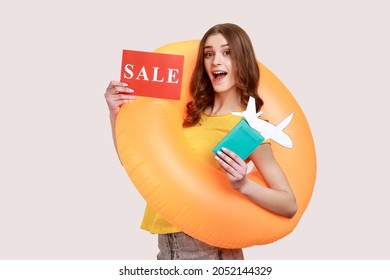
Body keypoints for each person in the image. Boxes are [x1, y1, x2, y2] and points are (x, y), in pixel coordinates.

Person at [104, 23, 297, 260]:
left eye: (227, 52)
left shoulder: (248, 128)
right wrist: (115, 113)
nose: (216, 61)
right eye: (209, 53)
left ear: (242, 60)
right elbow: (133, 162)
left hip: (211, 251)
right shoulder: (189, 115)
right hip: (167, 249)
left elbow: (289, 204)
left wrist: (244, 185)